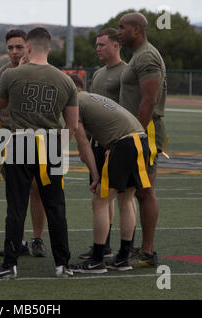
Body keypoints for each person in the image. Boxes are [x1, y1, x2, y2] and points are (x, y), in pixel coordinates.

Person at [0, 27, 78, 279]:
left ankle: (10, 264)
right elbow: (73, 125)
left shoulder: (11, 75)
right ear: (49, 48)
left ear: (27, 47)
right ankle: (62, 264)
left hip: (18, 142)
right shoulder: (66, 80)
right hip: (50, 145)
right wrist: (58, 146)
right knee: (56, 206)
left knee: (16, 206)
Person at [70, 84, 151, 273]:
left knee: (100, 200)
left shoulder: (74, 103)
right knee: (126, 199)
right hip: (141, 140)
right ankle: (123, 257)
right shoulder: (89, 97)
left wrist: (96, 176)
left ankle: (97, 259)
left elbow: (83, 145)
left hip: (124, 143)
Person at [0, 29, 47, 258]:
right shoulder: (0, 75)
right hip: (8, 135)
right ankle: (18, 240)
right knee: (15, 191)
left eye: (19, 47)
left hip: (36, 136)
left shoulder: (40, 71)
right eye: (10, 47)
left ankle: (38, 239)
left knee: (37, 189)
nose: (14, 51)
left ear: (28, 47)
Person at [78, 28, 137, 260]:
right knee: (105, 196)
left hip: (121, 141)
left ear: (116, 45)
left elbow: (129, 108)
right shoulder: (98, 74)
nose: (97, 48)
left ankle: (127, 248)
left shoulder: (127, 72)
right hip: (100, 142)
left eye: (102, 44)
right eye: (97, 44)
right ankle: (104, 245)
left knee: (123, 197)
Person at [118, 12, 167, 268]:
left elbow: (149, 99)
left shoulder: (146, 56)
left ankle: (147, 251)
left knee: (145, 191)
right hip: (136, 131)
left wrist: (135, 132)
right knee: (138, 191)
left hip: (143, 133)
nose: (119, 31)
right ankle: (142, 248)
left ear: (137, 30)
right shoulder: (138, 55)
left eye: (122, 27)